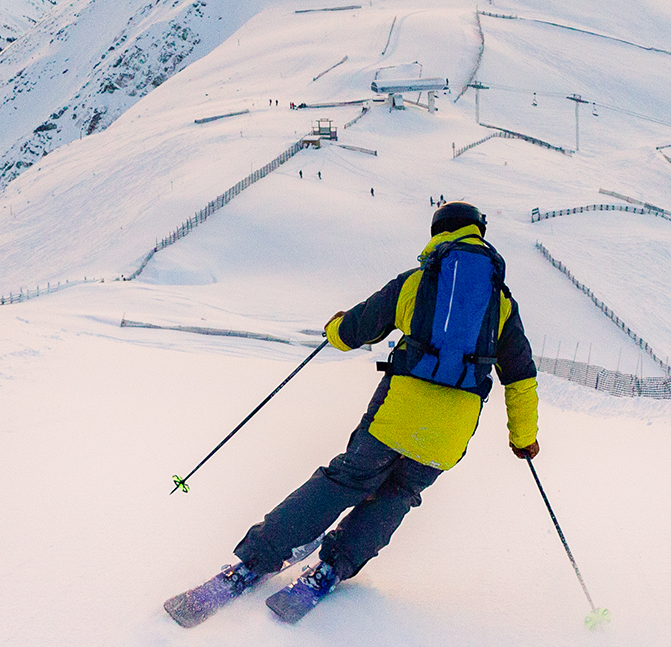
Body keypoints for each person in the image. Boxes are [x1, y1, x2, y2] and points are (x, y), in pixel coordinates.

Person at [219, 201, 539, 607]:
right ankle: (334, 567)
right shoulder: (501, 305)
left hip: (394, 418)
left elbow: (356, 329)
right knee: (398, 494)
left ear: (438, 232)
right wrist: (523, 437)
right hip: (447, 437)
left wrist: (334, 329)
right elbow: (521, 378)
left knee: (343, 482)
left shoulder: (417, 282)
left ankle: (257, 559)